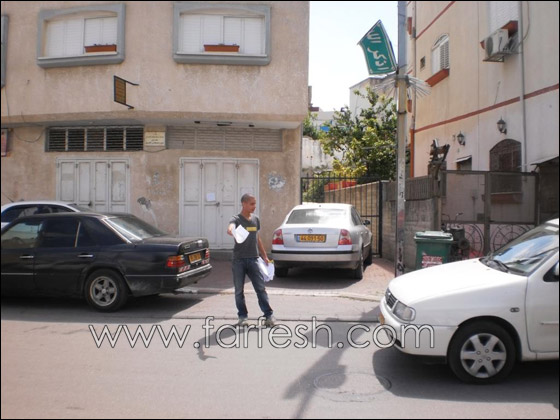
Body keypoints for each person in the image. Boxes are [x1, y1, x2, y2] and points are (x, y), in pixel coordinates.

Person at [227, 193, 275, 327]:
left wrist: (264, 256)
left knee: (260, 289)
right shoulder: (236, 219)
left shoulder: (255, 219)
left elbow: (257, 238)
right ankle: (242, 318)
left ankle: (269, 316)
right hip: (239, 260)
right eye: (252, 204)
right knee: (239, 291)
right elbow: (230, 227)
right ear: (244, 204)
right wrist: (231, 230)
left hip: (254, 259)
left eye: (255, 203)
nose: (254, 206)